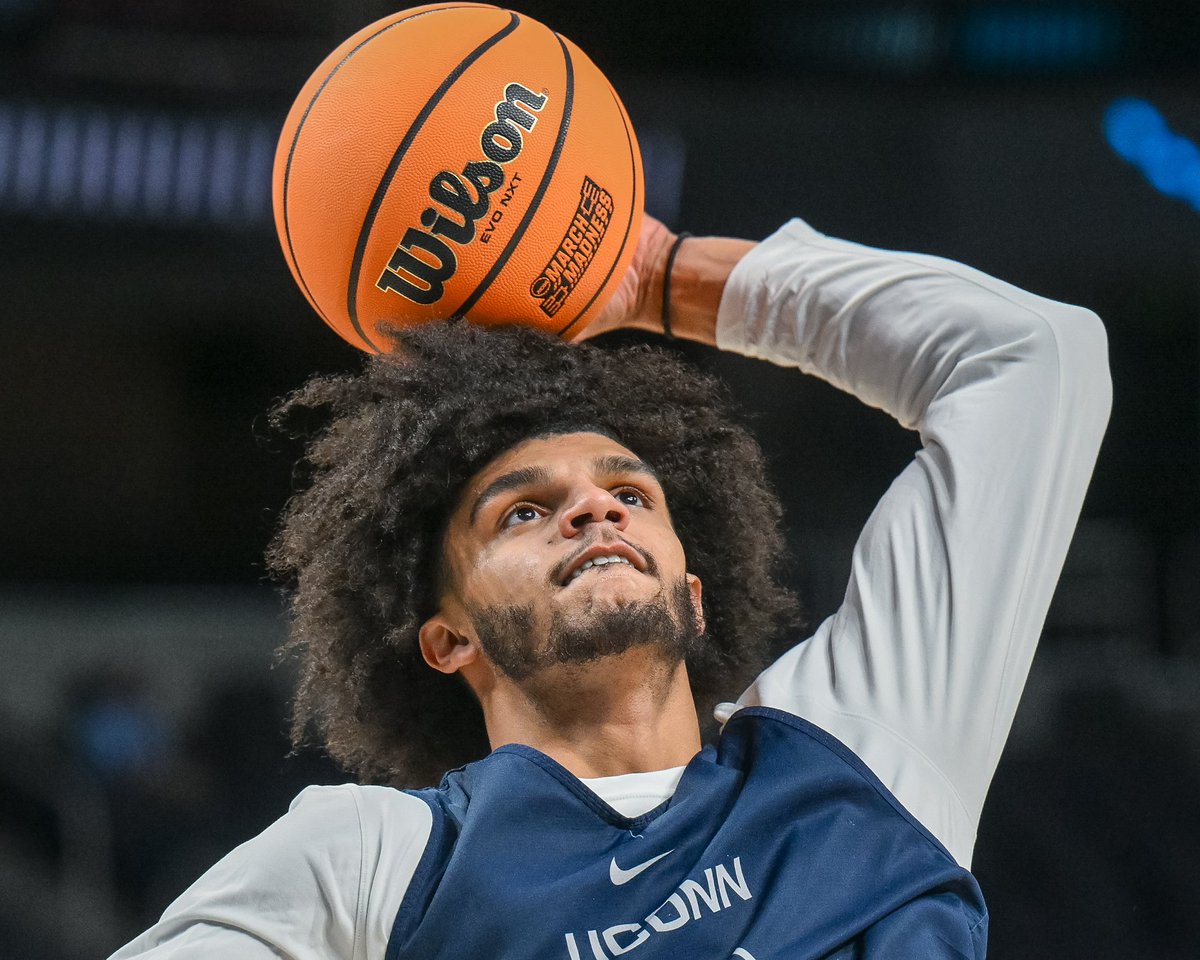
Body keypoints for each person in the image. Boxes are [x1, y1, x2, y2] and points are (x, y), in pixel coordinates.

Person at [108, 212, 1110, 959]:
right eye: (523, 512)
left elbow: (1034, 360)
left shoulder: (864, 746)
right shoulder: (374, 859)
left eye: (630, 492)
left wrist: (661, 277)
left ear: (694, 594)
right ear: (450, 638)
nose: (595, 508)